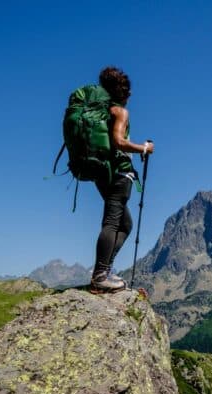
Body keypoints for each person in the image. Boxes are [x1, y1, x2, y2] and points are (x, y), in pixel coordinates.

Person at [90, 67, 154, 293]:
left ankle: (104, 269)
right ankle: (100, 275)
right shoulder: (119, 112)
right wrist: (143, 148)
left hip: (102, 173)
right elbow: (118, 141)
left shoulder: (99, 112)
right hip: (118, 174)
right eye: (128, 90)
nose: (131, 95)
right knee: (112, 222)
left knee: (125, 224)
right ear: (121, 91)